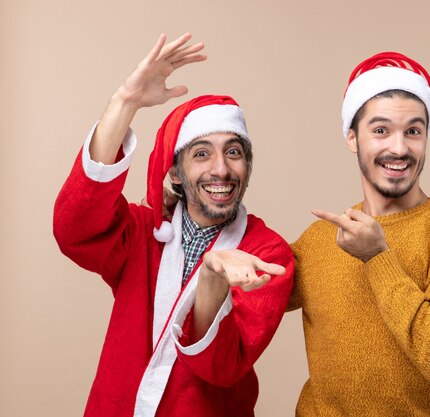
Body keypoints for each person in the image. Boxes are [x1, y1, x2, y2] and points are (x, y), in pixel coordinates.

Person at [53, 33, 294, 417]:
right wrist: (125, 102)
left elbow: (222, 367)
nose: (220, 169)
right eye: (202, 154)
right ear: (176, 174)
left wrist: (214, 280)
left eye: (234, 152)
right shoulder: (142, 233)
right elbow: (74, 226)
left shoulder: (268, 254)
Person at [288, 52, 430, 416]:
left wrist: (378, 257)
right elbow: (244, 289)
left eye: (413, 131)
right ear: (352, 137)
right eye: (380, 130)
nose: (399, 148)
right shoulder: (319, 240)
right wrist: (181, 213)